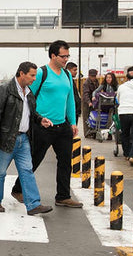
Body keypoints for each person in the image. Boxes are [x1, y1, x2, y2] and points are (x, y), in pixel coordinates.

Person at [11, 40, 82, 208]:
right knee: (35, 159)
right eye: (63, 56)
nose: (66, 59)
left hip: (62, 125)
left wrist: (72, 122)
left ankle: (63, 196)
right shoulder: (42, 73)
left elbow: (70, 100)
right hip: (43, 126)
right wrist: (36, 118)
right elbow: (29, 97)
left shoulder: (66, 76)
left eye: (67, 56)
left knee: (65, 161)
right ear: (53, 55)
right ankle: (18, 189)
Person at [0, 61, 53, 215]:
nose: (34, 78)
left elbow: (30, 113)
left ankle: (33, 205)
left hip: (23, 140)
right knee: (0, 172)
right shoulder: (3, 91)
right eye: (32, 75)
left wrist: (39, 119)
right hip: (5, 139)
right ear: (21, 73)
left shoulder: (28, 92)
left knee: (27, 171)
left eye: (35, 75)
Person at [81, 68, 99, 138]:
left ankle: (93, 131)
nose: (93, 78)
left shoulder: (96, 81)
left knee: (93, 117)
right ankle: (87, 133)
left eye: (94, 76)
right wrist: (89, 102)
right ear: (89, 76)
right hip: (86, 102)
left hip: (94, 102)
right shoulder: (86, 83)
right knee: (86, 117)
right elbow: (85, 94)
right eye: (92, 76)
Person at [66, 62, 82, 126]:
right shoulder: (66, 81)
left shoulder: (71, 80)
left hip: (75, 110)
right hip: (70, 112)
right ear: (68, 70)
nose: (76, 72)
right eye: (74, 70)